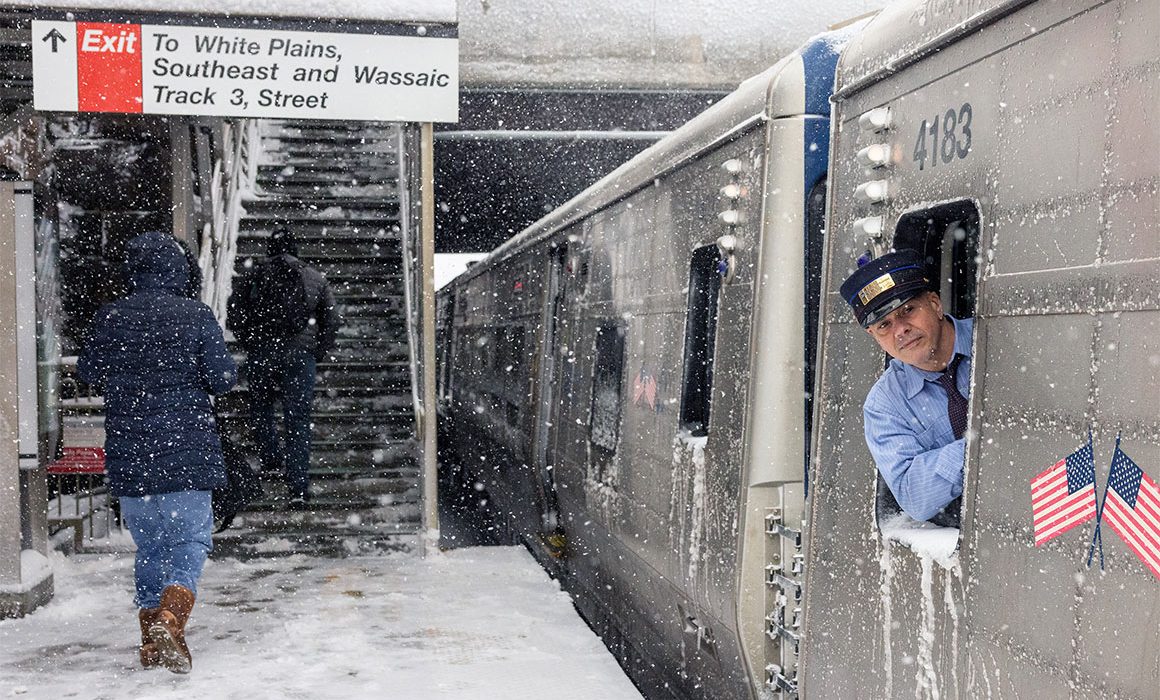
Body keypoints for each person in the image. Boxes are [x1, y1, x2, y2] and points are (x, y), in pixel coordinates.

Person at [78, 231, 237, 674]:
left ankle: (151, 640)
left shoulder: (112, 317)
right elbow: (223, 378)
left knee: (150, 547)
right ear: (178, 271)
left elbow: (89, 370)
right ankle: (170, 618)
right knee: (190, 540)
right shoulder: (194, 314)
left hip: (131, 454)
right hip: (186, 452)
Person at [839, 248, 974, 527]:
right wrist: (982, 447)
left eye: (908, 310)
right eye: (884, 325)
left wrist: (939, 467)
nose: (900, 330)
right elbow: (914, 496)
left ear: (935, 304)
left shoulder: (994, 339)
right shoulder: (884, 404)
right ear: (874, 336)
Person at [226, 226, 339, 508]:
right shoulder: (314, 277)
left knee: (261, 407)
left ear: (270, 249)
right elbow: (331, 319)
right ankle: (298, 486)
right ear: (295, 249)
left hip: (263, 351)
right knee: (297, 418)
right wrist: (317, 350)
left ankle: (271, 460)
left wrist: (250, 341)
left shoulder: (254, 275)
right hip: (300, 354)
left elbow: (235, 312)